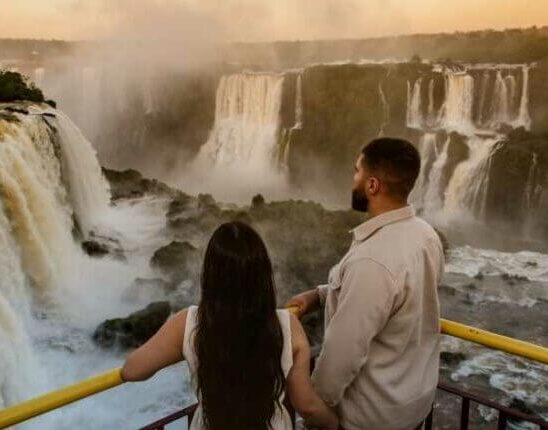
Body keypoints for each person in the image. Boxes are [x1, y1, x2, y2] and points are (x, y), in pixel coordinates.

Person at [287, 137, 445, 430]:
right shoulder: (426, 235)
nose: (353, 180)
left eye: (356, 171)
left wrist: (317, 411)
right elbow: (398, 294)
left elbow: (342, 353)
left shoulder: (372, 261)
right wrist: (319, 295)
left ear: (373, 186)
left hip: (369, 419)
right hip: (411, 407)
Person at [122, 221, 339, 430]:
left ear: (211, 275)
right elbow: (306, 405)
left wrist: (181, 348)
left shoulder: (188, 323)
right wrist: (335, 423)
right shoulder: (287, 325)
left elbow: (132, 370)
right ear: (262, 275)